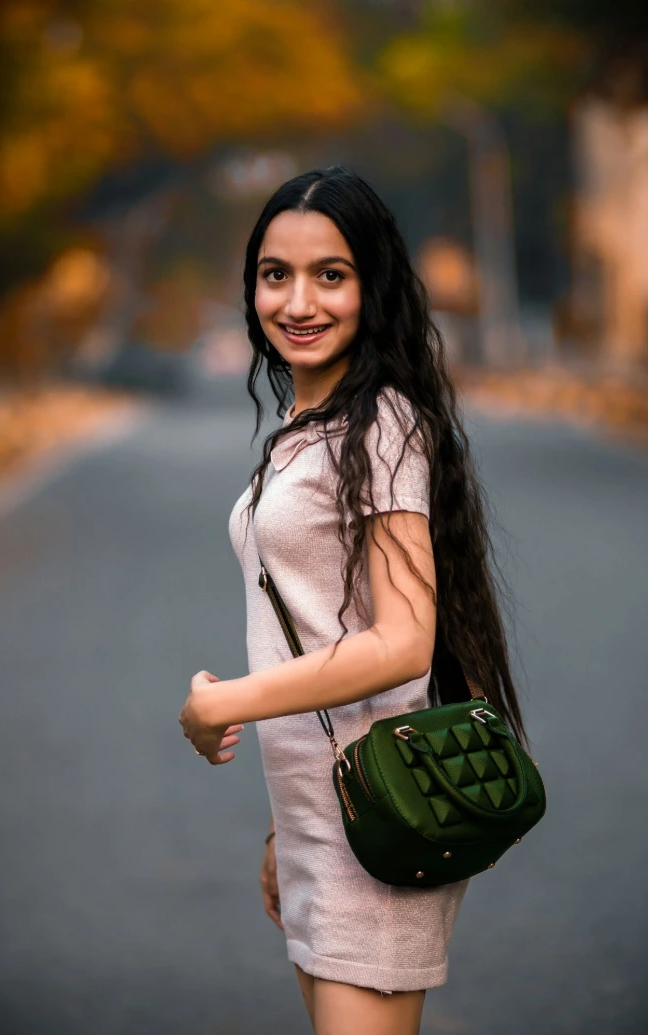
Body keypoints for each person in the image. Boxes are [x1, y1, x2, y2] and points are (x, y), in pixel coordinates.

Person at [178, 165, 527, 1035]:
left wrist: (223, 703)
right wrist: (281, 829)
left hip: (383, 820)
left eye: (330, 274)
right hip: (321, 820)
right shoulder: (313, 429)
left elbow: (403, 644)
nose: (298, 300)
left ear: (373, 285)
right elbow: (313, 629)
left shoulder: (383, 425)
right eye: (275, 274)